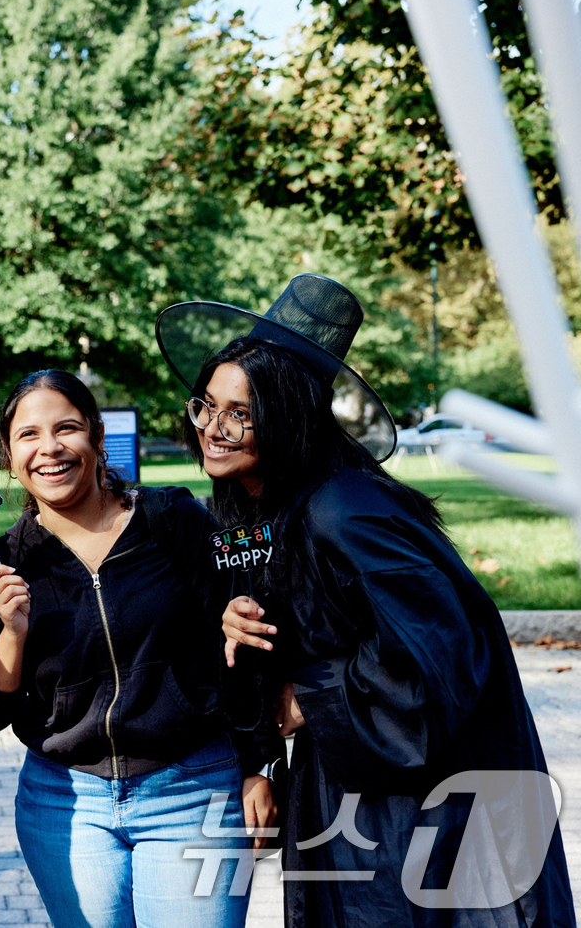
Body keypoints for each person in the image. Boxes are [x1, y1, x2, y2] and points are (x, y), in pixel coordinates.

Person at [158, 273, 575, 927]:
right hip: (351, 778)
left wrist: (310, 698)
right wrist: (236, 623)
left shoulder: (346, 511)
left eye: (241, 412)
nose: (214, 427)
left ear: (287, 416)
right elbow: (296, 620)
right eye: (206, 405)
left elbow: (446, 652)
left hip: (430, 800)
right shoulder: (265, 507)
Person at [0, 369, 279, 928]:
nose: (50, 448)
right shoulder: (5, 562)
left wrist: (259, 764)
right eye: (29, 435)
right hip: (65, 803)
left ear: (97, 436)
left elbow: (242, 644)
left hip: (192, 790)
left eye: (67, 428)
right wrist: (11, 631)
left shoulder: (172, 521)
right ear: (9, 456)